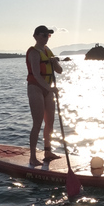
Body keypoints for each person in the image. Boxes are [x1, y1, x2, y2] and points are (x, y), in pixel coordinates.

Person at [26, 25, 63, 166]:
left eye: (48, 35)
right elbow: (36, 74)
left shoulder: (48, 51)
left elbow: (59, 70)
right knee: (37, 123)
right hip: (36, 88)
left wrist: (55, 62)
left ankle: (48, 152)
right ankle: (33, 157)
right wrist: (50, 88)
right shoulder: (33, 52)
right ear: (35, 36)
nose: (46, 38)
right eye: (43, 35)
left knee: (50, 122)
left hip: (48, 89)